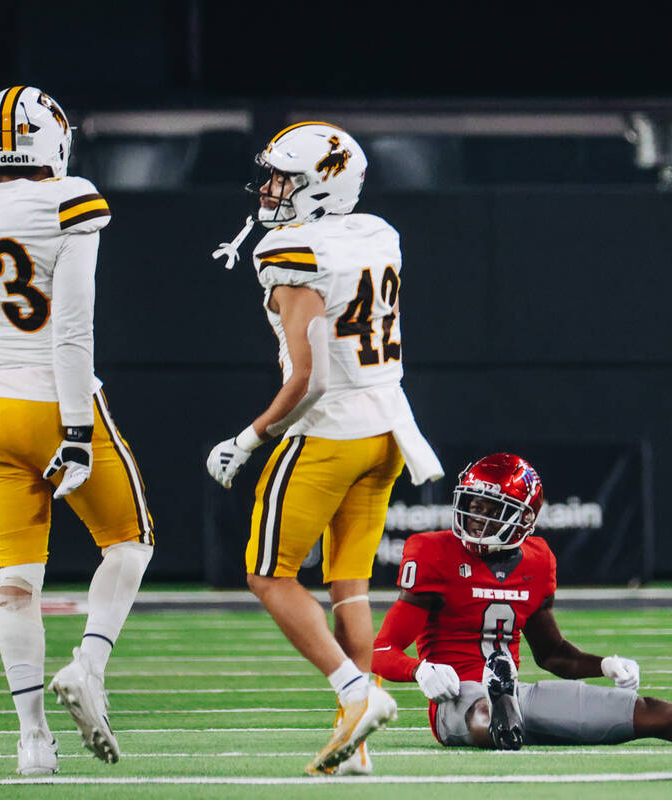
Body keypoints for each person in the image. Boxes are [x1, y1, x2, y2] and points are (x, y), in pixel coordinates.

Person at [0, 86, 155, 774]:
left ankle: (32, 743)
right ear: (53, 143)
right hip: (58, 404)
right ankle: (89, 666)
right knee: (130, 543)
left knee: (15, 584)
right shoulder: (68, 199)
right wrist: (75, 429)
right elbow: (73, 330)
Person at [206, 121, 443, 775]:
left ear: (322, 187)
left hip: (331, 431)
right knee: (350, 586)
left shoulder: (293, 252)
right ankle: (356, 747)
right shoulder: (376, 234)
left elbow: (309, 378)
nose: (272, 187)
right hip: (389, 428)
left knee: (267, 573)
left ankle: (355, 691)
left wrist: (248, 438)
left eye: (286, 177)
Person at [372, 453, 672, 749]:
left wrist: (605, 665)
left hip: (520, 695)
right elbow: (381, 650)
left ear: (524, 520)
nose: (474, 521)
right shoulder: (434, 552)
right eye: (471, 506)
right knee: (481, 710)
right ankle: (499, 723)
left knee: (654, 714)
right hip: (458, 699)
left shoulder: (536, 560)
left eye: (490, 512)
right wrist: (421, 670)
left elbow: (552, 654)